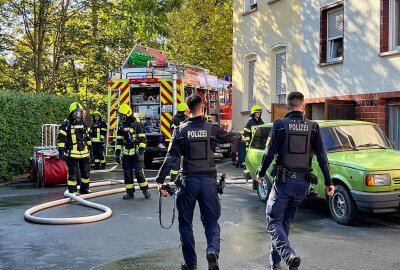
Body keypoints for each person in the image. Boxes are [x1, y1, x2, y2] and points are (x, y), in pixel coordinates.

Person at [156, 95, 244, 270]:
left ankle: (190, 265)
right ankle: (212, 251)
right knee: (211, 222)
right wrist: (241, 136)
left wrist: (160, 180)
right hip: (208, 182)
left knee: (185, 224)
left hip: (188, 182)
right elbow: (228, 137)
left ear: (187, 110)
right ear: (202, 108)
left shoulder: (180, 130)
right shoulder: (212, 128)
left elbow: (171, 157)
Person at [256, 92, 335, 270]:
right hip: (303, 185)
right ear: (304, 106)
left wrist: (260, 173)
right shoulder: (313, 127)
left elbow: (269, 153)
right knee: (283, 223)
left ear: (287, 106)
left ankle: (288, 255)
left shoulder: (280, 125)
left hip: (284, 183)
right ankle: (275, 263)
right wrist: (329, 183)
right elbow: (322, 157)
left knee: (273, 221)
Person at [116, 104, 151, 200]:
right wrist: (117, 153)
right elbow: (119, 140)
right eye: (120, 115)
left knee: (139, 173)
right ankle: (130, 192)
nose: (121, 117)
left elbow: (143, 139)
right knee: (127, 173)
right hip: (126, 153)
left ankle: (145, 190)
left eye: (122, 115)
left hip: (136, 153)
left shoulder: (137, 124)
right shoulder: (121, 125)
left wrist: (140, 152)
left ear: (127, 114)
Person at [57, 102, 92, 194]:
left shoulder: (84, 123)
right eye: (75, 112)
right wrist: (61, 151)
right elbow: (61, 139)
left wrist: (90, 149)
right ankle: (72, 191)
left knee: (86, 172)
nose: (77, 114)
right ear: (71, 113)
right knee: (73, 174)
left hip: (84, 152)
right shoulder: (66, 124)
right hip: (72, 153)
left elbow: (88, 137)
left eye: (79, 112)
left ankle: (85, 189)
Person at [169, 102, 189, 181]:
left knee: (176, 161)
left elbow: (173, 131)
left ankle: (174, 178)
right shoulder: (186, 119)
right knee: (179, 161)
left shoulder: (175, 119)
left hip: (176, 143)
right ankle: (175, 178)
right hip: (183, 143)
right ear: (184, 111)